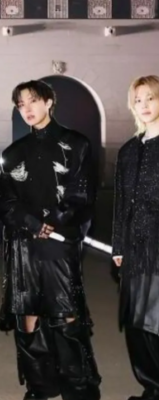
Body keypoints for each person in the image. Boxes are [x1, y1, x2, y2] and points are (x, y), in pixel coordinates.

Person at [0, 80, 101, 400]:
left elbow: (82, 194)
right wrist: (31, 223)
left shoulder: (76, 144)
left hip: (60, 241)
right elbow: (4, 201)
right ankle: (40, 386)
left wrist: (53, 222)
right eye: (21, 104)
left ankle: (78, 386)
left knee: (66, 312)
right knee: (29, 315)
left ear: (49, 102)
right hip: (25, 243)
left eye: (33, 101)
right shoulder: (13, 153)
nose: (27, 109)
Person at [112, 75, 159, 400]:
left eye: (151, 98)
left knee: (155, 318)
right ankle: (151, 386)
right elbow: (120, 201)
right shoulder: (128, 150)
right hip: (133, 247)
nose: (144, 105)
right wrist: (118, 245)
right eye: (138, 100)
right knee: (136, 321)